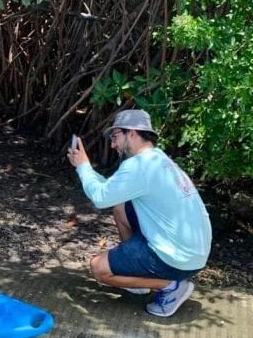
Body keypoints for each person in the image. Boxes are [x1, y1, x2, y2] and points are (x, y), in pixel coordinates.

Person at [66, 110, 212, 318]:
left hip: (176, 260)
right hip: (193, 254)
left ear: (132, 133)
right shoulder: (158, 159)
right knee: (120, 207)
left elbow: (100, 198)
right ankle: (138, 278)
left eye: (115, 136)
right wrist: (86, 168)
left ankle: (171, 286)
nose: (113, 144)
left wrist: (83, 167)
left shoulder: (138, 166)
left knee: (98, 268)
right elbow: (111, 192)